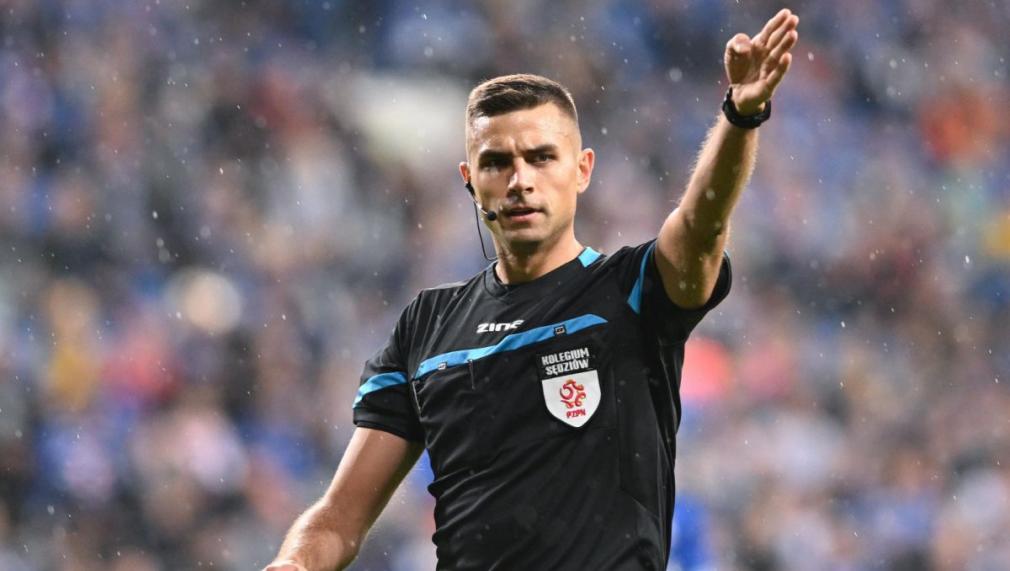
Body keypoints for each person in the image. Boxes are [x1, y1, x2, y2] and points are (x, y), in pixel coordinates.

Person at [266, 9, 799, 570]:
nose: (520, 180)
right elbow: (338, 519)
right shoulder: (427, 325)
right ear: (470, 182)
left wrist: (740, 116)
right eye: (497, 163)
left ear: (582, 170)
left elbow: (701, 225)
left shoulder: (632, 290)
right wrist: (293, 563)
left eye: (542, 157)